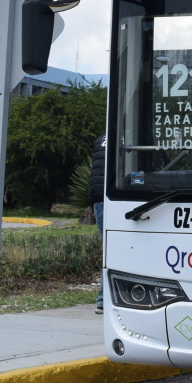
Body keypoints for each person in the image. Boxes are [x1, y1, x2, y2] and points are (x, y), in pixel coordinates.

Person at [89, 133, 107, 313]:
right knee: (114, 249)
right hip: (113, 197)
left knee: (108, 247)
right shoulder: (128, 136)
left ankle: (103, 299)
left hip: (97, 196)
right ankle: (104, 298)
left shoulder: (100, 139)